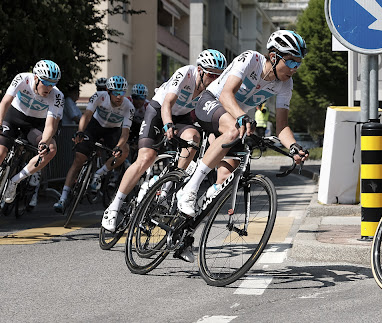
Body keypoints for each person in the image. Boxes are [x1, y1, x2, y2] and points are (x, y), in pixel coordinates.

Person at [179, 30, 310, 221]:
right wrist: (242, 116)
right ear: (273, 57)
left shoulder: (285, 85)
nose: (295, 68)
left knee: (224, 180)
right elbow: (226, 94)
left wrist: (293, 146)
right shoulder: (251, 60)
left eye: (298, 63)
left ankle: (187, 233)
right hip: (212, 102)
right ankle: (188, 190)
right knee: (233, 130)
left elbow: (282, 126)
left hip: (235, 118)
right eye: (291, 62)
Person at [101, 49, 227, 234]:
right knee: (146, 157)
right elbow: (167, 103)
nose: (215, 78)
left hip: (182, 117)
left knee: (194, 139)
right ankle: (114, 206)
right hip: (159, 110)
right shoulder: (186, 73)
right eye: (211, 74)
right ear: (200, 70)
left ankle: (164, 190)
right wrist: (168, 125)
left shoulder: (214, 88)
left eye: (219, 75)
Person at [54, 76, 134, 212]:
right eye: (116, 93)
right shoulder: (99, 96)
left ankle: (99, 174)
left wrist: (118, 147)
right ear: (108, 91)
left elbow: (125, 133)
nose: (119, 97)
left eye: (122, 93)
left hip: (113, 131)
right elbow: (87, 116)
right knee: (78, 159)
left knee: (124, 150)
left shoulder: (128, 106)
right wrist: (80, 131)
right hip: (95, 127)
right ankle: (63, 197)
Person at [0, 60, 64, 204]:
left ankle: (15, 181)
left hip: (34, 126)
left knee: (51, 149)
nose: (49, 87)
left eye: (53, 83)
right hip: (13, 117)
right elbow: (5, 102)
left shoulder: (57, 95)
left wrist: (43, 143)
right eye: (46, 82)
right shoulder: (22, 79)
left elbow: (50, 125)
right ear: (36, 78)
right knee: (1, 153)